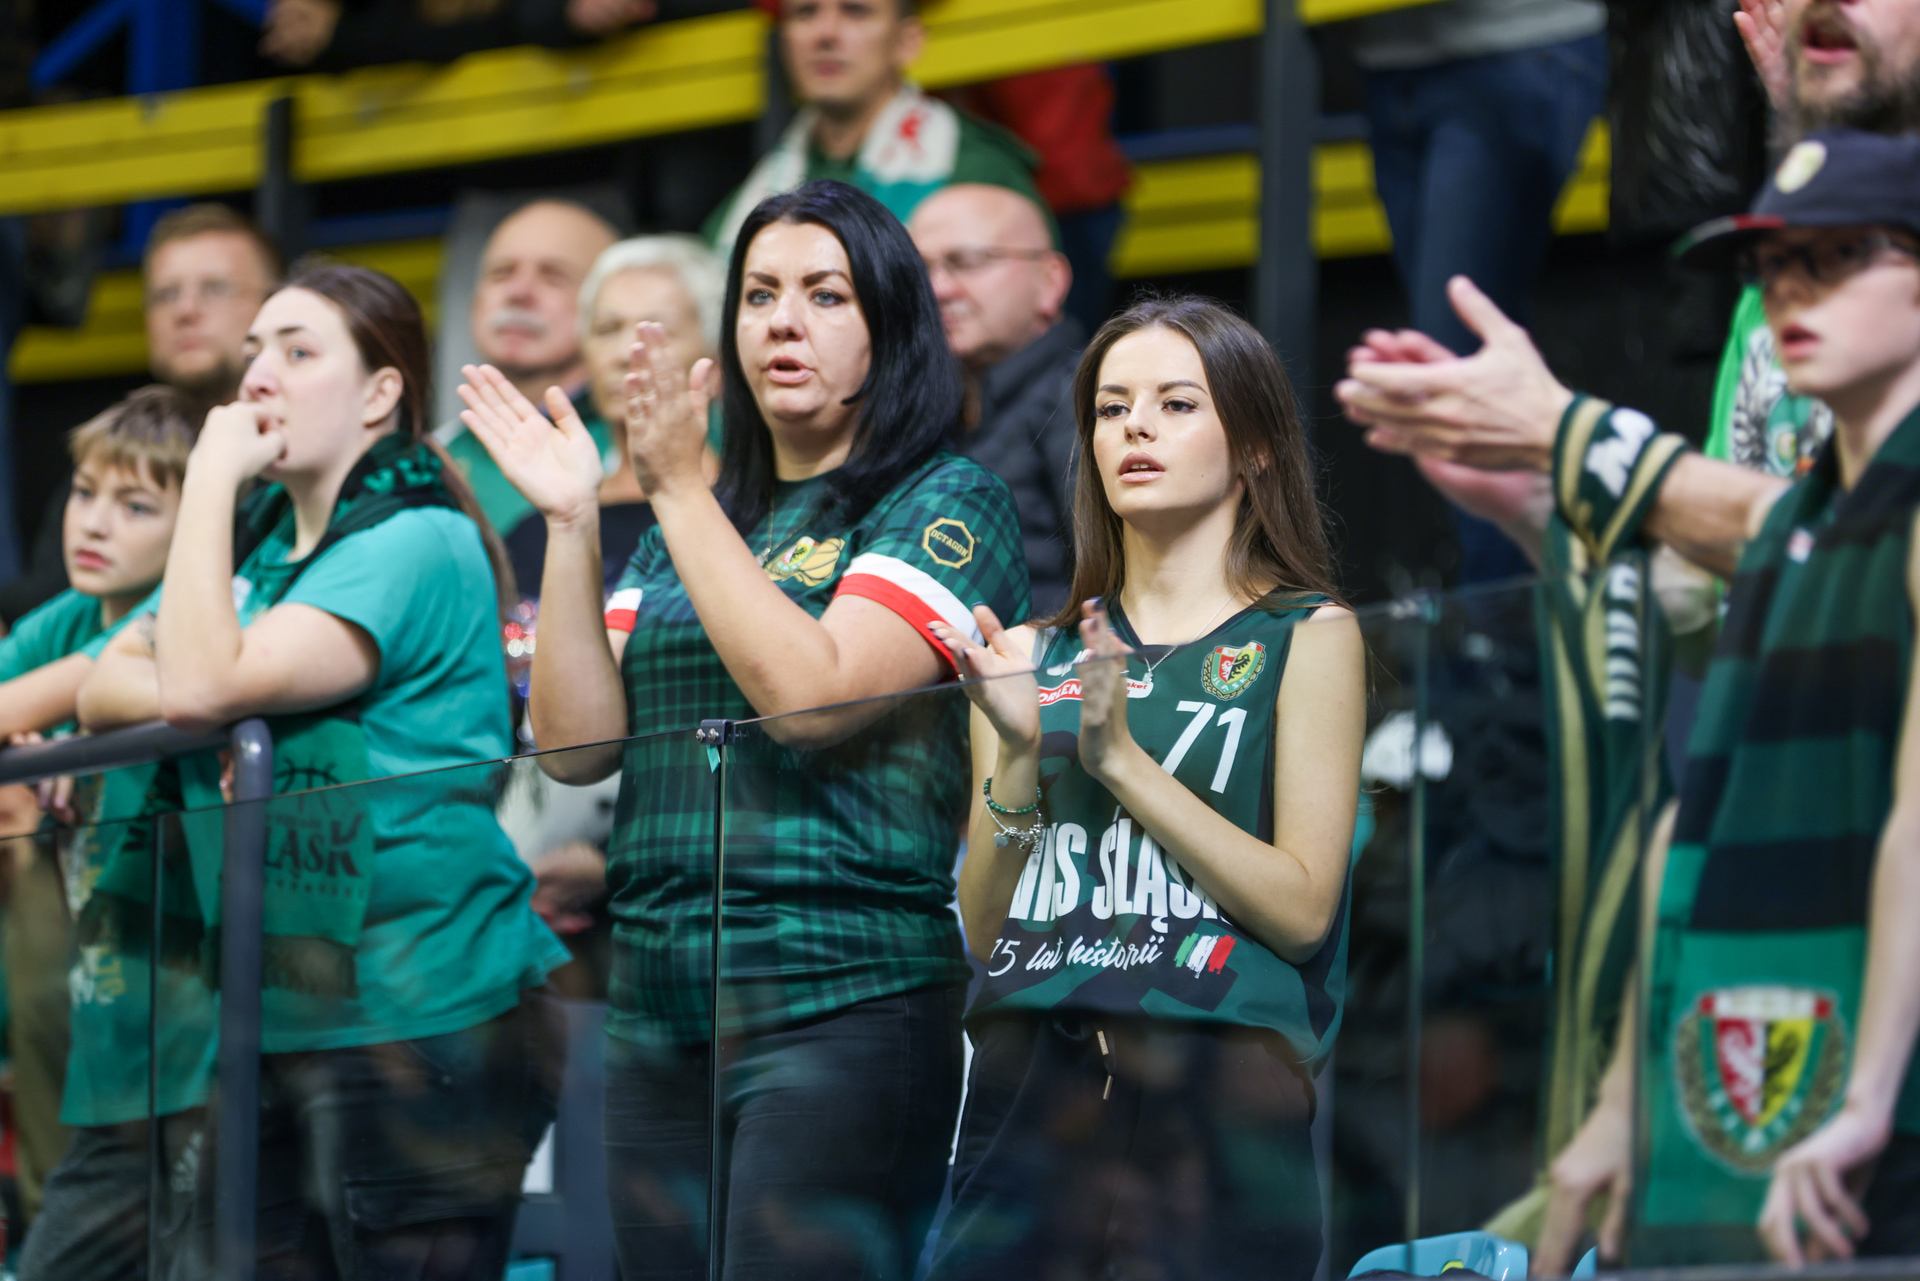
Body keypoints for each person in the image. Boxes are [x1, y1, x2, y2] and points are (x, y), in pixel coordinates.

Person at [457, 178, 1028, 1279]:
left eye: (825, 295)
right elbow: (575, 747)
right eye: (760, 295)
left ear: (892, 326)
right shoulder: (700, 522)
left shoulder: (945, 498)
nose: (782, 322)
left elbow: (814, 701)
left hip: (843, 995)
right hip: (656, 1004)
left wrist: (675, 490)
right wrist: (573, 523)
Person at [76, 263, 568, 1278]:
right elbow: (103, 684)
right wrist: (218, 684)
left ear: (381, 393)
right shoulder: (260, 547)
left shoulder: (414, 538)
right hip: (277, 1012)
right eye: (254, 351)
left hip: (421, 1014)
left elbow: (194, 685)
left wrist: (208, 484)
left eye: (298, 353)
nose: (259, 376)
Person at [1536, 131, 1920, 1273]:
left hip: (1879, 1118)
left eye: (1835, 256)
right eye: (1772, 266)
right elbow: (1694, 811)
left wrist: (1869, 1096)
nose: (1790, 292)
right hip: (1760, 1091)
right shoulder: (1799, 518)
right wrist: (1623, 1102)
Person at [921, 296, 1366, 1279]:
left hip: (1217, 1075)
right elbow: (988, 928)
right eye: (1113, 409)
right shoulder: (1029, 651)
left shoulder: (1308, 633)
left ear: (1255, 444)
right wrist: (1019, 756)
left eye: (1175, 404)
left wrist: (1120, 760)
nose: (1135, 430)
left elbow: (1302, 911)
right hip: (1030, 1078)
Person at [496, 233, 725, 978]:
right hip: (531, 884)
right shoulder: (537, 525)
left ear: (715, 355)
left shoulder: (741, 514)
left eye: (656, 327)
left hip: (698, 892)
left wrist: (606, 858)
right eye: (607, 327)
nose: (630, 349)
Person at [0, 387, 194, 1267]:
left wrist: (47, 726)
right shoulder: (70, 616)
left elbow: (51, 691)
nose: (95, 522)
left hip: (196, 1022)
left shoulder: (183, 612)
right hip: (105, 1016)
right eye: (85, 492)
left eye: (137, 505)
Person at [1343, 0, 1607, 582]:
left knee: (1457, 356)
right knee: (1443, 357)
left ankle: (1508, 614)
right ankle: (1521, 602)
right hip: (1389, 54)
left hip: (1513, 41)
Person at [0, 204, 281, 627]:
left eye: (215, 288)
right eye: (165, 294)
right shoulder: (113, 453)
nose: (185, 310)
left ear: (275, 305)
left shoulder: (301, 460)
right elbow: (42, 602)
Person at [705, 0, 1040, 252]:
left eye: (856, 11)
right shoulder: (754, 191)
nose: (825, 34)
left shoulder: (977, 168)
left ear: (907, 41)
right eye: (805, 12)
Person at [909, 183, 1079, 615]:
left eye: (967, 262)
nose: (938, 288)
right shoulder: (930, 405)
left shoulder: (1088, 397)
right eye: (920, 270)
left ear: (1050, 281)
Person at [438, 198, 620, 535]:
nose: (518, 292)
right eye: (501, 273)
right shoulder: (436, 454)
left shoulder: (641, 448)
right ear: (475, 302)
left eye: (553, 277)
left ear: (606, 308)